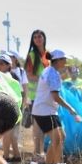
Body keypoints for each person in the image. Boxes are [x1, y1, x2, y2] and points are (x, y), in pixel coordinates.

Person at [32, 49, 81, 164]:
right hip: (45, 111)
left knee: (60, 137)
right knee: (57, 139)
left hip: (44, 110)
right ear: (58, 60)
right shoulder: (53, 74)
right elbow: (55, 96)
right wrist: (71, 109)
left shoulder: (49, 71)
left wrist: (66, 72)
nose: (66, 61)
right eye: (64, 59)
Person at [24, 29, 50, 157]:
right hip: (35, 96)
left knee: (43, 124)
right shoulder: (32, 56)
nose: (38, 39)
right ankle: (37, 152)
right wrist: (44, 79)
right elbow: (28, 76)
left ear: (44, 38)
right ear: (33, 40)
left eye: (40, 36)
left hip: (47, 96)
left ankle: (40, 151)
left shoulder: (48, 55)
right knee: (37, 125)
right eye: (35, 37)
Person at [0, 52, 22, 162]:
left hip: (9, 108)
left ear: (9, 65)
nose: (0, 65)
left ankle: (6, 157)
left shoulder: (8, 77)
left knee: (7, 134)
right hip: (10, 108)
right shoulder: (4, 76)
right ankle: (17, 156)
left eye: (2, 63)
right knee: (11, 136)